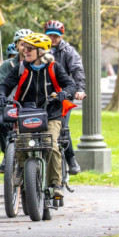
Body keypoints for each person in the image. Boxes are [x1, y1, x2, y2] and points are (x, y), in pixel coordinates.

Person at [0, 33, 76, 201]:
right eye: (24, 48)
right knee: (21, 143)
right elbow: (4, 84)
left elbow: (70, 84)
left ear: (41, 51)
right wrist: (1, 95)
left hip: (51, 114)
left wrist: (65, 93)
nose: (25, 51)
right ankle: (21, 170)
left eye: (30, 48)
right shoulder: (21, 67)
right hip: (27, 113)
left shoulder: (54, 67)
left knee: (51, 144)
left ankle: (55, 184)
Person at [0, 30, 33, 173]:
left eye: (28, 45)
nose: (25, 48)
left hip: (30, 105)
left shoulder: (37, 62)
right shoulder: (8, 65)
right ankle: (8, 153)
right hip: (11, 104)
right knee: (0, 123)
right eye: (22, 44)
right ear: (17, 45)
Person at [43, 20, 84, 176]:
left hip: (63, 95)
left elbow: (77, 70)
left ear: (61, 36)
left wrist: (79, 89)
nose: (52, 39)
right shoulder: (39, 49)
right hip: (42, 94)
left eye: (56, 36)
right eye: (49, 36)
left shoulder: (68, 51)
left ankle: (70, 159)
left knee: (62, 130)